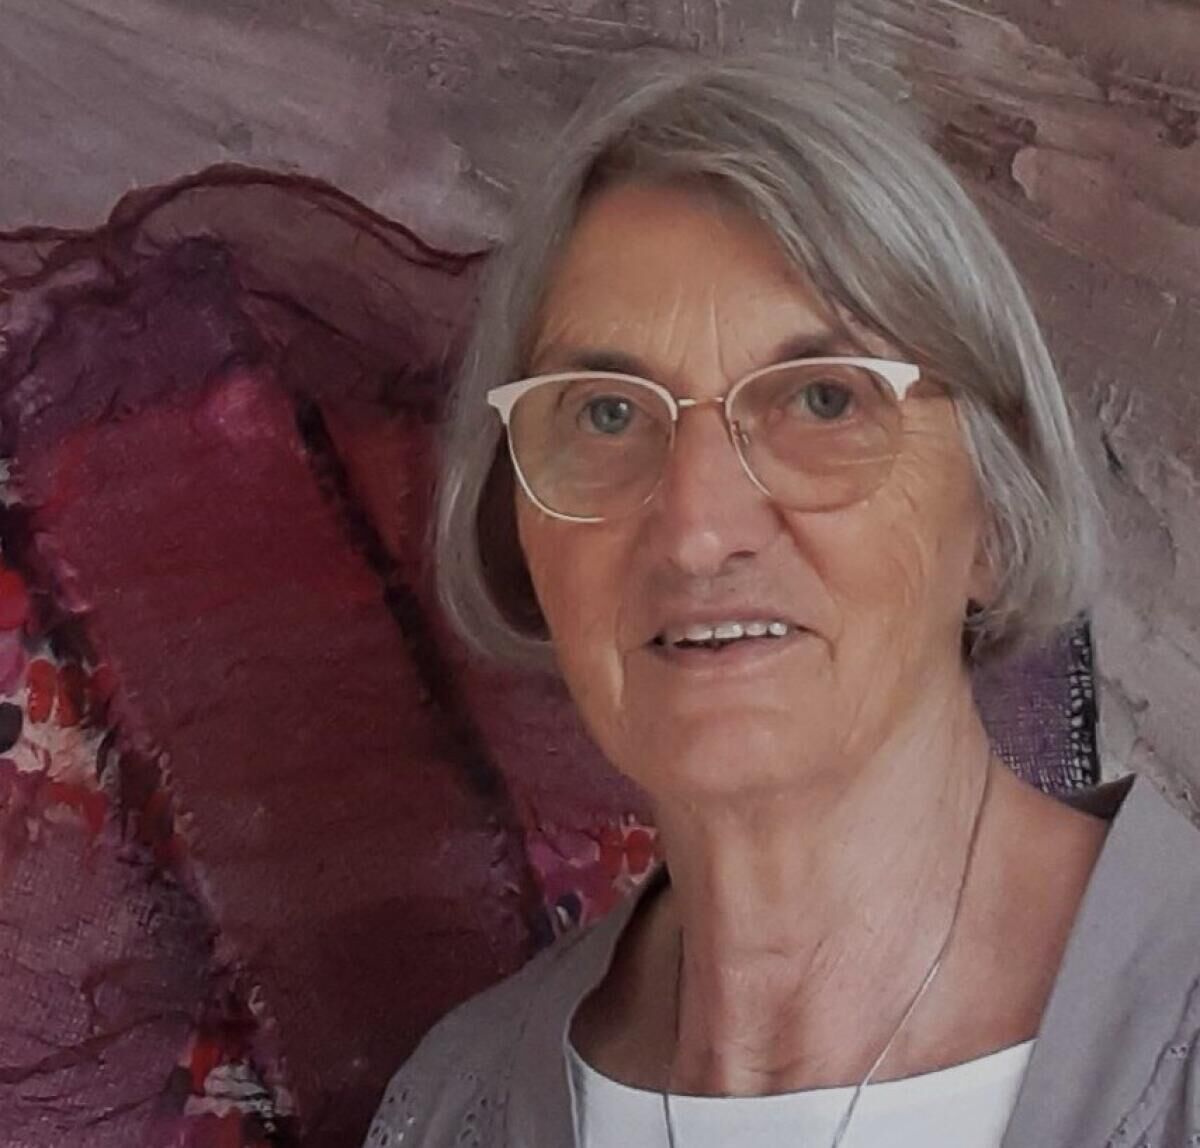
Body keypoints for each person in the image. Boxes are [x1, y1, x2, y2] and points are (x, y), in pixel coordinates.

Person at [364, 52, 1200, 1148]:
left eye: (823, 400)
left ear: (996, 512)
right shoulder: (451, 1107)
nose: (698, 529)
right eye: (608, 414)